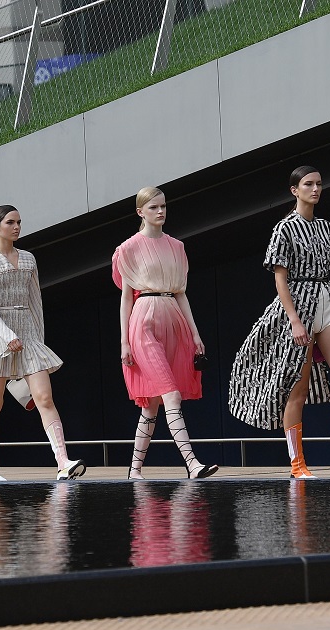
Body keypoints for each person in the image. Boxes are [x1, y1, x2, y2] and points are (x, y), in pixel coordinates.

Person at [229, 166, 330, 479]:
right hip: (298, 305)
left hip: (325, 300)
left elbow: (327, 267)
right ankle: (297, 464)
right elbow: (280, 280)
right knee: (296, 390)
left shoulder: (325, 226)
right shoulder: (285, 228)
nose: (315, 189)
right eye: (308, 184)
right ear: (294, 190)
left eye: (318, 184)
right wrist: (295, 321)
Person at [0, 205, 86, 482]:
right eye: (10, 222)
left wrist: (38, 343)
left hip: (28, 335)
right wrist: (6, 336)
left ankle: (63, 462)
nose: (17, 227)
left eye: (19, 222)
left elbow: (35, 302)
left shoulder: (29, 258)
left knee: (44, 398)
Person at [112, 187, 217, 480]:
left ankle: (134, 470)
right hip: (143, 321)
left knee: (152, 405)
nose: (160, 211)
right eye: (154, 207)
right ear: (140, 212)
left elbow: (181, 293)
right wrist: (124, 342)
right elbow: (126, 298)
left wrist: (195, 334)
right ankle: (192, 464)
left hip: (173, 318)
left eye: (163, 206)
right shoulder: (128, 249)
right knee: (170, 394)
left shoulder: (177, 247)